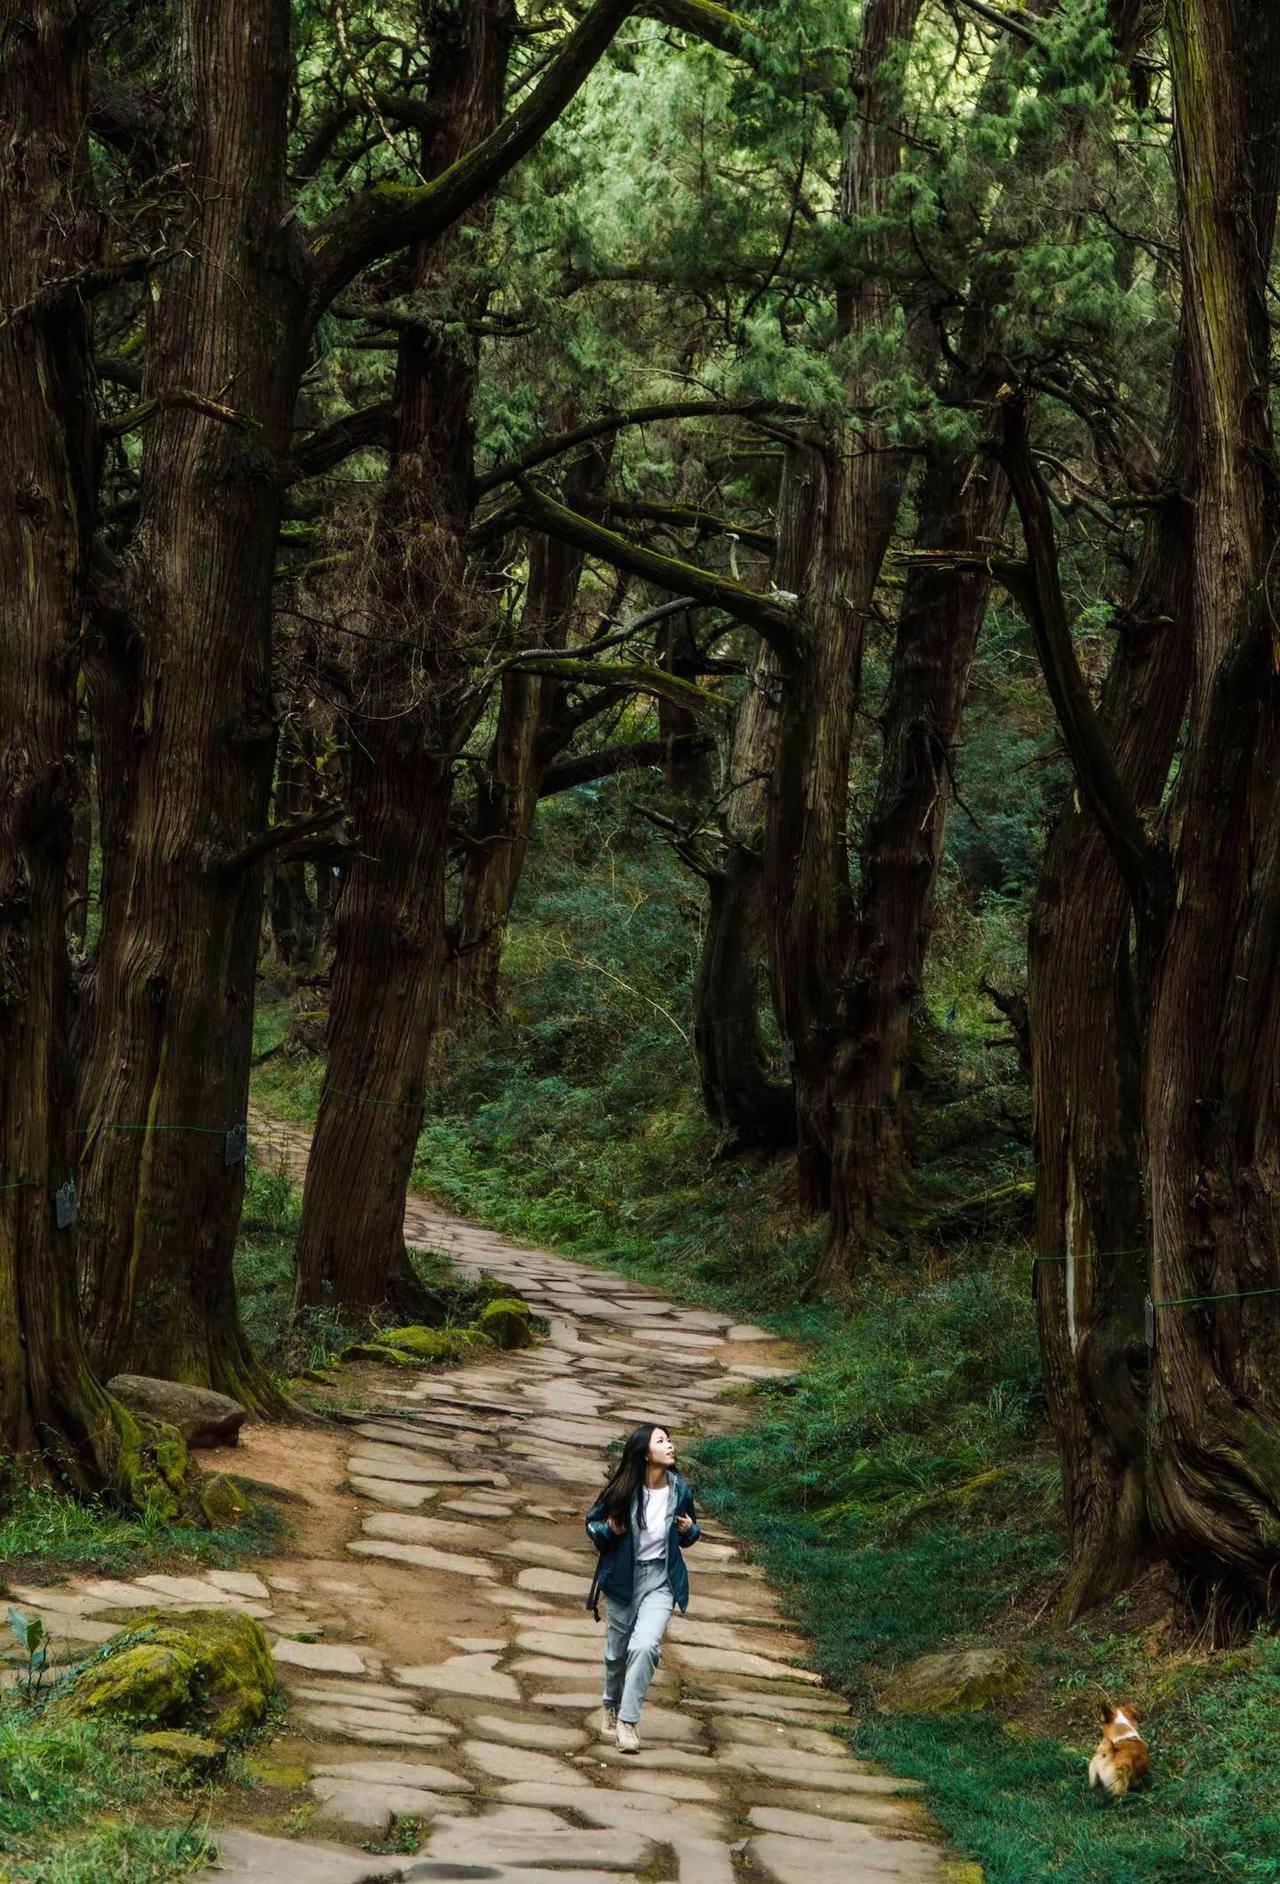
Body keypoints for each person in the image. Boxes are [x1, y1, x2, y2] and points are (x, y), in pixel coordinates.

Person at [584, 1422, 700, 1752]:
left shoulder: (680, 1490)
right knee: (616, 1655)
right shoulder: (622, 1490)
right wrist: (610, 1529)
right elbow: (593, 1527)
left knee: (646, 1646)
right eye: (661, 1441)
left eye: (669, 1439)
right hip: (623, 1579)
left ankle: (628, 1721)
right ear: (645, 1454)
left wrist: (690, 1530)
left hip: (661, 1580)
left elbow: (690, 1534)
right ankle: (611, 1705)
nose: (670, 1445)